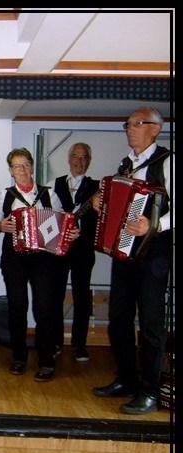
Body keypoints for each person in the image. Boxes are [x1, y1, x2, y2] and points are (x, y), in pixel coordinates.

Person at [92, 107, 172, 415]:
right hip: (124, 251)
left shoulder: (167, 162)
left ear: (156, 129)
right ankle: (126, 379)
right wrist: (101, 202)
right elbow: (116, 203)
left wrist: (154, 225)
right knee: (119, 319)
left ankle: (150, 391)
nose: (131, 129)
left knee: (151, 324)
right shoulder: (126, 165)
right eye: (128, 124)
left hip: (154, 254)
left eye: (138, 124)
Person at [0, 147, 78, 382]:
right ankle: (19, 357)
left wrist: (72, 232)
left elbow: (64, 223)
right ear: (10, 171)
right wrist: (1, 226)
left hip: (44, 259)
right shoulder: (5, 195)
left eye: (26, 165)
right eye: (17, 166)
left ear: (32, 167)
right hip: (14, 259)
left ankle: (46, 360)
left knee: (44, 308)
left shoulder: (49, 194)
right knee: (17, 307)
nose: (22, 170)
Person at [47, 142, 100, 361]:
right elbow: (47, 216)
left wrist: (83, 230)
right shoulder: (53, 185)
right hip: (59, 249)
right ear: (69, 159)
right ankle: (55, 342)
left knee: (82, 297)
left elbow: (102, 220)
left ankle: (79, 344)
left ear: (89, 161)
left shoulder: (98, 188)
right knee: (55, 296)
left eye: (84, 157)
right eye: (76, 156)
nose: (79, 160)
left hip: (84, 250)